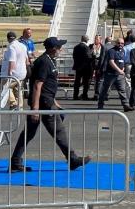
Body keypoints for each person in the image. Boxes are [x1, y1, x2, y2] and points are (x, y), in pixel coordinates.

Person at [10, 37, 90, 173]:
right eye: (59, 47)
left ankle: (15, 161)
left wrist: (55, 102)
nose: (61, 49)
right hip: (43, 106)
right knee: (59, 131)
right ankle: (72, 159)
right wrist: (35, 109)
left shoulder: (50, 61)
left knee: (28, 134)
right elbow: (37, 85)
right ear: (53, 49)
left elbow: (48, 86)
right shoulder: (44, 62)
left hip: (47, 102)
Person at [97, 36, 131, 112]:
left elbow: (122, 61)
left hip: (119, 75)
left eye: (122, 43)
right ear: (115, 43)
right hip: (110, 74)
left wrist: (123, 69)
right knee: (105, 90)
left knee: (122, 90)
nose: (120, 44)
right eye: (118, 43)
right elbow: (111, 62)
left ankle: (126, 105)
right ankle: (100, 104)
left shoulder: (122, 51)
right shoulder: (111, 51)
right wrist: (119, 70)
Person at [0, 30, 28, 109]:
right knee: (18, 89)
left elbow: (12, 61)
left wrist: (9, 74)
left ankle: (13, 102)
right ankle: (20, 105)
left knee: (5, 87)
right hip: (22, 72)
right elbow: (26, 60)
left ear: (8, 39)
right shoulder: (23, 46)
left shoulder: (11, 47)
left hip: (14, 72)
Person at [72, 35, 93, 101]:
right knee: (86, 82)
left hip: (78, 67)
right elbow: (88, 57)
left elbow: (74, 56)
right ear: (86, 40)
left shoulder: (76, 47)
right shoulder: (86, 48)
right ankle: (84, 95)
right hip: (85, 68)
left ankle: (75, 95)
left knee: (77, 82)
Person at [90, 34, 104, 99]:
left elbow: (103, 57)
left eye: (97, 39)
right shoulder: (91, 46)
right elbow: (88, 55)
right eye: (95, 39)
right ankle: (85, 94)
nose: (96, 40)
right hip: (92, 65)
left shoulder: (103, 47)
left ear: (100, 40)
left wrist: (100, 67)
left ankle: (97, 94)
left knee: (98, 80)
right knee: (90, 80)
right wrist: (92, 51)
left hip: (99, 65)